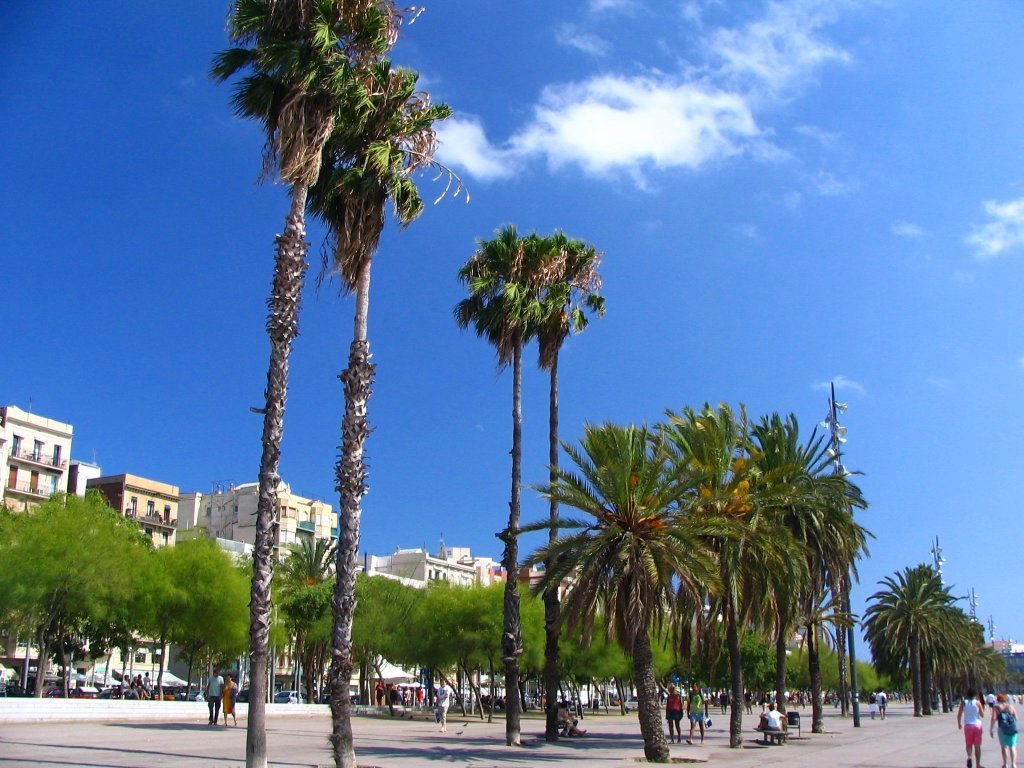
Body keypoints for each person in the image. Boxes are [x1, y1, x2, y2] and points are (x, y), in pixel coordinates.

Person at [957, 687, 986, 768]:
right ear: (975, 694)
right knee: (977, 746)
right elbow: (982, 715)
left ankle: (969, 757)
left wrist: (959, 723)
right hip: (977, 725)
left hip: (968, 725)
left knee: (969, 744)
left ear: (967, 694)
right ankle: (978, 764)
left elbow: (959, 714)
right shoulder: (978, 703)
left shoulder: (964, 703)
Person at [991, 693, 1018, 768]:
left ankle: (1005, 764)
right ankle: (1013, 764)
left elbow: (993, 718)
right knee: (1012, 746)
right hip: (1012, 728)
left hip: (1002, 728)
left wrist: (991, 729)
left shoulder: (996, 707)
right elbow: (1016, 717)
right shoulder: (1011, 706)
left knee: (1004, 747)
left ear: (998, 699)